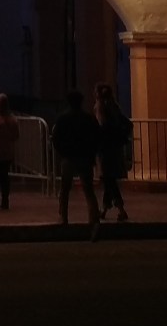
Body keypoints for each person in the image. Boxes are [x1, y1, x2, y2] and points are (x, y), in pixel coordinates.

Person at [51, 89, 104, 233]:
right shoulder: (88, 118)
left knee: (65, 189)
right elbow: (97, 136)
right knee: (88, 189)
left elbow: (56, 138)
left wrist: (62, 152)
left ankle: (63, 217)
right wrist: (92, 153)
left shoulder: (63, 118)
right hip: (85, 157)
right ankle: (94, 219)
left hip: (68, 157)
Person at [94, 83, 133, 222]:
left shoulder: (101, 109)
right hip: (115, 149)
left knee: (109, 180)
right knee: (108, 180)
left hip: (105, 150)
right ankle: (104, 209)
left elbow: (101, 128)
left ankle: (120, 208)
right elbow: (128, 124)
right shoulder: (115, 108)